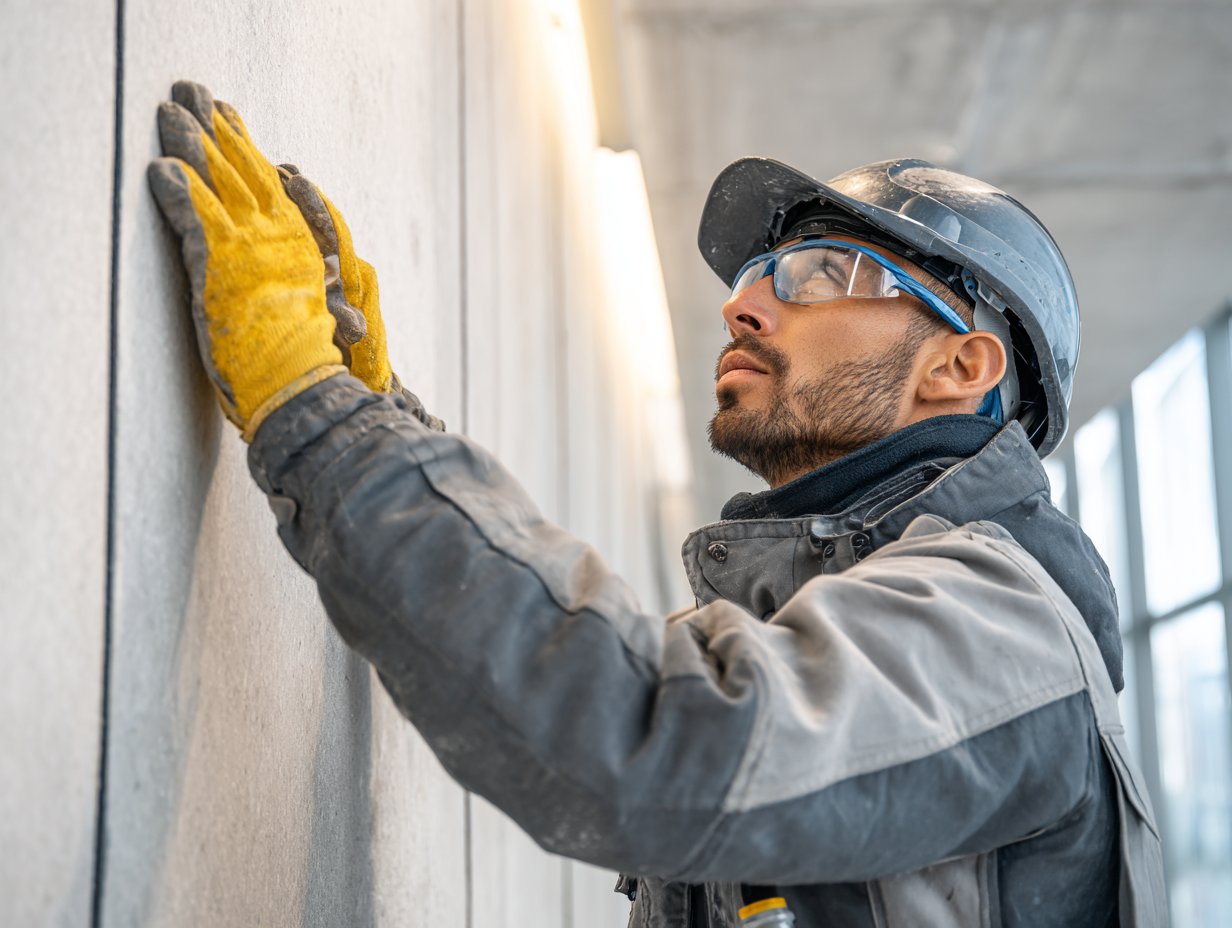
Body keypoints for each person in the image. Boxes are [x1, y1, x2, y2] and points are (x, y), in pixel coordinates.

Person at [148, 81, 1166, 927]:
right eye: (758, 271)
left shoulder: (1000, 627)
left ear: (959, 362)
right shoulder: (838, 612)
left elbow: (660, 741)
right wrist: (380, 424)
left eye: (816, 271)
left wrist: (326, 421)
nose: (740, 300)